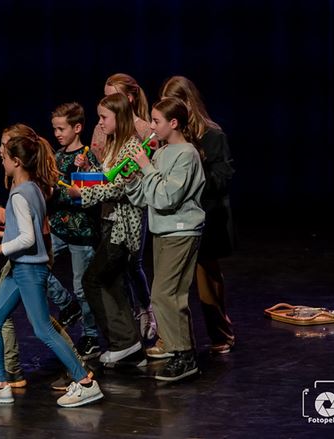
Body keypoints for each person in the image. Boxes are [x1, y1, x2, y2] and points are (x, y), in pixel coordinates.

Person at [0, 132, 103, 408]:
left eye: (5, 157)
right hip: (22, 268)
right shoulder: (34, 189)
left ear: (16, 161)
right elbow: (25, 231)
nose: (1, 161)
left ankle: (85, 382)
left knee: (43, 329)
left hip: (29, 270)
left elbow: (28, 239)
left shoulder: (20, 194)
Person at [125, 97, 205, 381]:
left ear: (173, 123)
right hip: (163, 230)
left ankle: (185, 355)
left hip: (181, 230)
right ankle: (178, 349)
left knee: (164, 294)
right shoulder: (161, 153)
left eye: (156, 121)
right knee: (168, 296)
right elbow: (147, 196)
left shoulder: (186, 154)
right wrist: (132, 178)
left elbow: (167, 197)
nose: (152, 126)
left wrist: (146, 167)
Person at [156, 75, 236, 355]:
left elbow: (223, 176)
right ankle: (173, 339)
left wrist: (192, 178)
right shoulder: (174, 139)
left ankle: (221, 333)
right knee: (171, 286)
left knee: (206, 279)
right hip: (178, 219)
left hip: (207, 216)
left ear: (188, 103)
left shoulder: (212, 135)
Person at [68, 93, 146, 367]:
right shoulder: (115, 145)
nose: (99, 123)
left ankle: (122, 342)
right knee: (112, 284)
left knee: (93, 280)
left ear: (120, 118)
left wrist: (84, 196)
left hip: (122, 229)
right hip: (110, 223)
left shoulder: (131, 148)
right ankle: (130, 344)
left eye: (104, 117)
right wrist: (88, 170)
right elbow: (107, 177)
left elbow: (119, 186)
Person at [90, 73, 157, 343]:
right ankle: (128, 321)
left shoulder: (141, 131)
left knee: (132, 264)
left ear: (127, 98)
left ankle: (145, 310)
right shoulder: (103, 126)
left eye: (112, 96)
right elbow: (105, 169)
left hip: (130, 211)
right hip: (108, 210)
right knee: (116, 271)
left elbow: (127, 179)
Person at [47, 102, 101, 360]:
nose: (57, 133)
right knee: (36, 267)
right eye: (55, 129)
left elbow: (89, 194)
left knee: (82, 287)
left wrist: (78, 177)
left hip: (80, 231)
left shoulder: (87, 157)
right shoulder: (56, 156)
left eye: (61, 128)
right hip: (58, 226)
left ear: (77, 128)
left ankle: (91, 335)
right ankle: (65, 304)